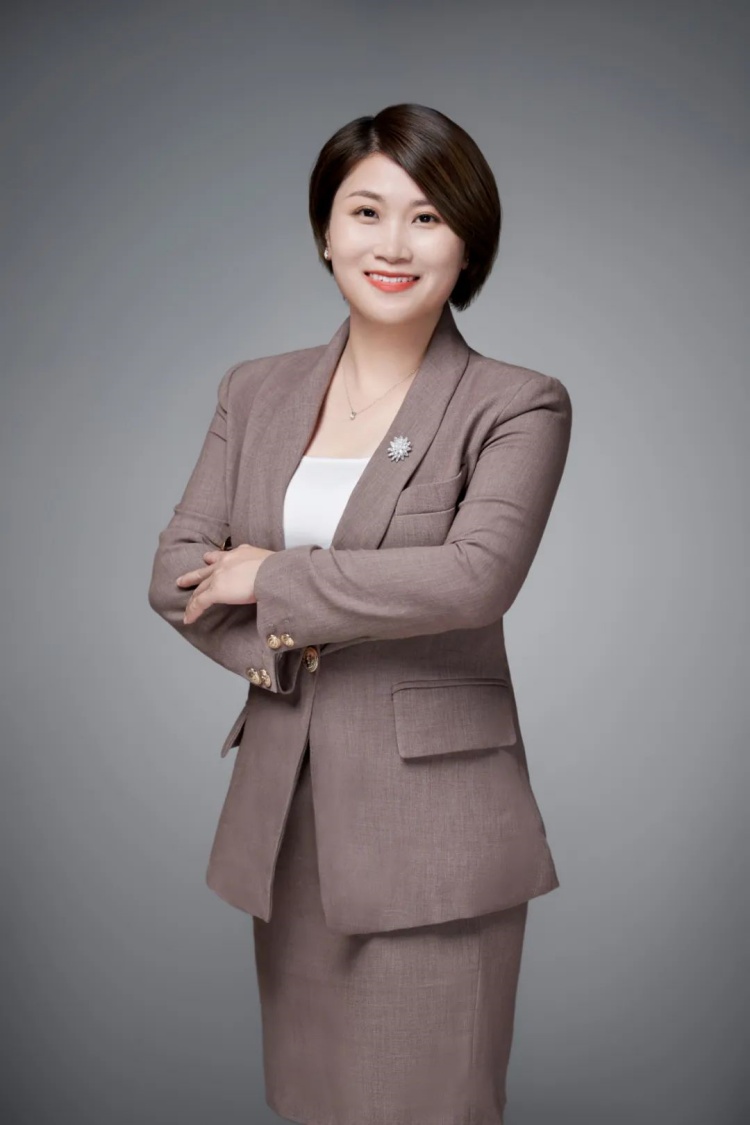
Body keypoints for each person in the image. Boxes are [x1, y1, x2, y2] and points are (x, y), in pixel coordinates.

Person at [148, 103, 573, 1125]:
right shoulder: (255, 391)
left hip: (434, 828)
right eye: (366, 211)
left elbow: (473, 576)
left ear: (467, 245)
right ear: (324, 233)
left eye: (427, 218)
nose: (393, 244)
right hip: (286, 813)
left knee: (430, 1105)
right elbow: (175, 573)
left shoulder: (515, 403)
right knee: (312, 1103)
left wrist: (273, 578)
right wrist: (284, 643)